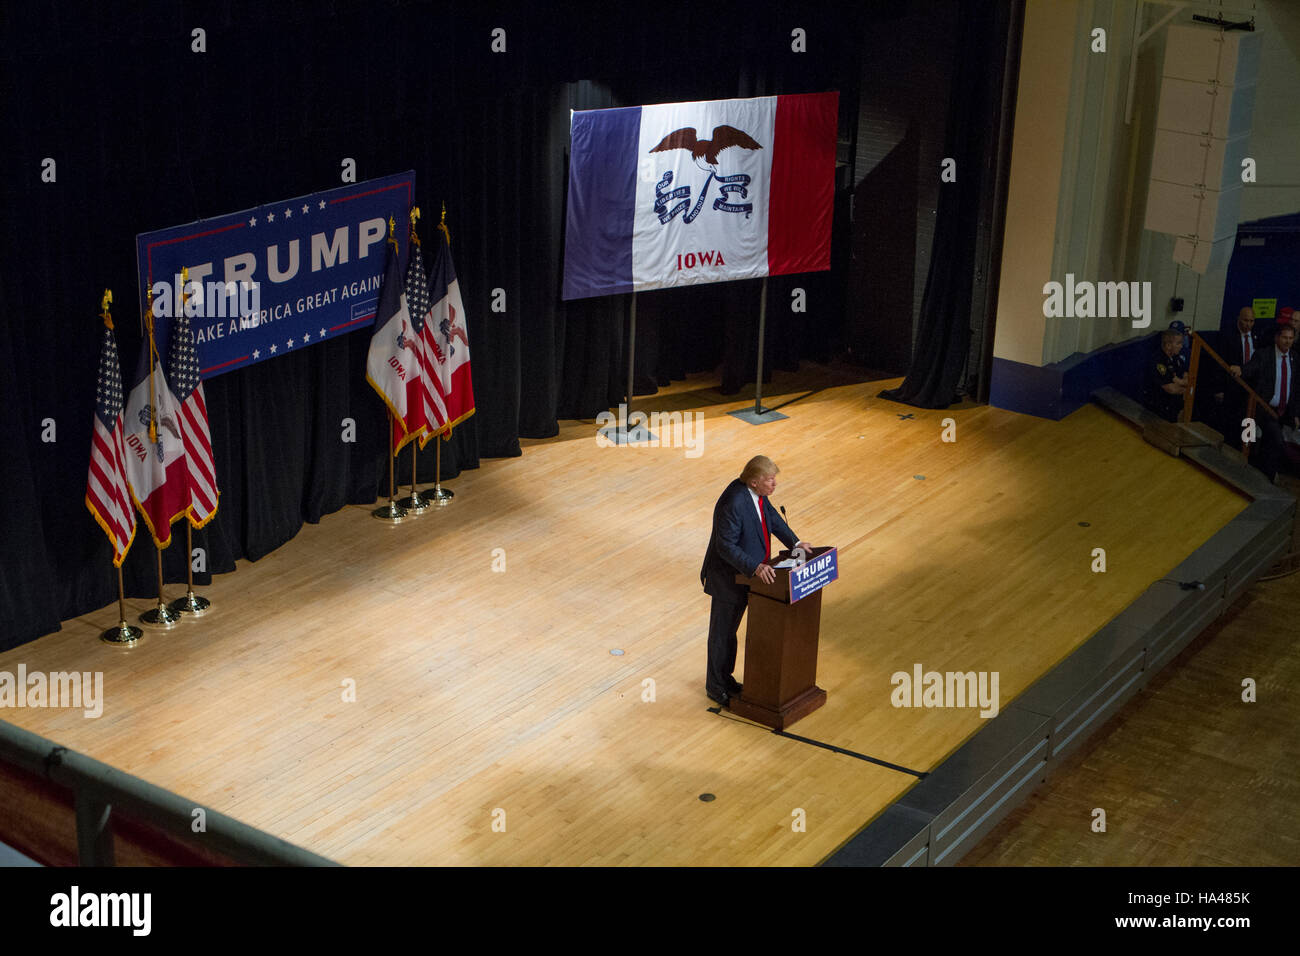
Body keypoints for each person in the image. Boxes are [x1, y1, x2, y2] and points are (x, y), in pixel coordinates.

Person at [699, 455, 810, 708]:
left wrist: (795, 544)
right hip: (728, 578)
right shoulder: (734, 502)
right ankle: (715, 687)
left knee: (730, 634)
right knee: (721, 635)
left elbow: (772, 518)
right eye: (770, 480)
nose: (774, 485)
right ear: (754, 481)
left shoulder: (757, 495)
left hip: (747, 577)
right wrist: (755, 567)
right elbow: (724, 546)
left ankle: (725, 680)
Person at [1238, 324, 1300, 482]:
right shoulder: (1264, 355)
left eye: (1291, 338)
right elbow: (1250, 369)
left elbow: (1295, 388)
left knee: (1270, 442)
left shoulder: (1295, 358)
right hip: (1264, 408)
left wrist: (1295, 414)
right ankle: (1267, 476)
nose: (1287, 341)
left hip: (1284, 411)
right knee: (1273, 439)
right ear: (1277, 338)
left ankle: (1264, 475)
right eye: (1285, 338)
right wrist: (1240, 370)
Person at [1216, 306, 1261, 443]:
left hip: (1250, 388)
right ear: (1238, 319)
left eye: (1252, 321)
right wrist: (1219, 389)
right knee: (1230, 422)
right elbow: (1220, 363)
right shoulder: (1228, 336)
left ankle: (1245, 448)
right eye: (1246, 320)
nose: (1248, 324)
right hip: (1232, 386)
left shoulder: (1257, 336)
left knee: (1248, 420)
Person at [1142, 328, 1189, 423]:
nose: (1181, 346)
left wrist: (1180, 382)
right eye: (1178, 343)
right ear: (1168, 345)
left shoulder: (1176, 358)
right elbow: (1171, 389)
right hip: (1157, 410)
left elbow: (1187, 376)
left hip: (1172, 407)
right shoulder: (1158, 361)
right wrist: (1186, 389)